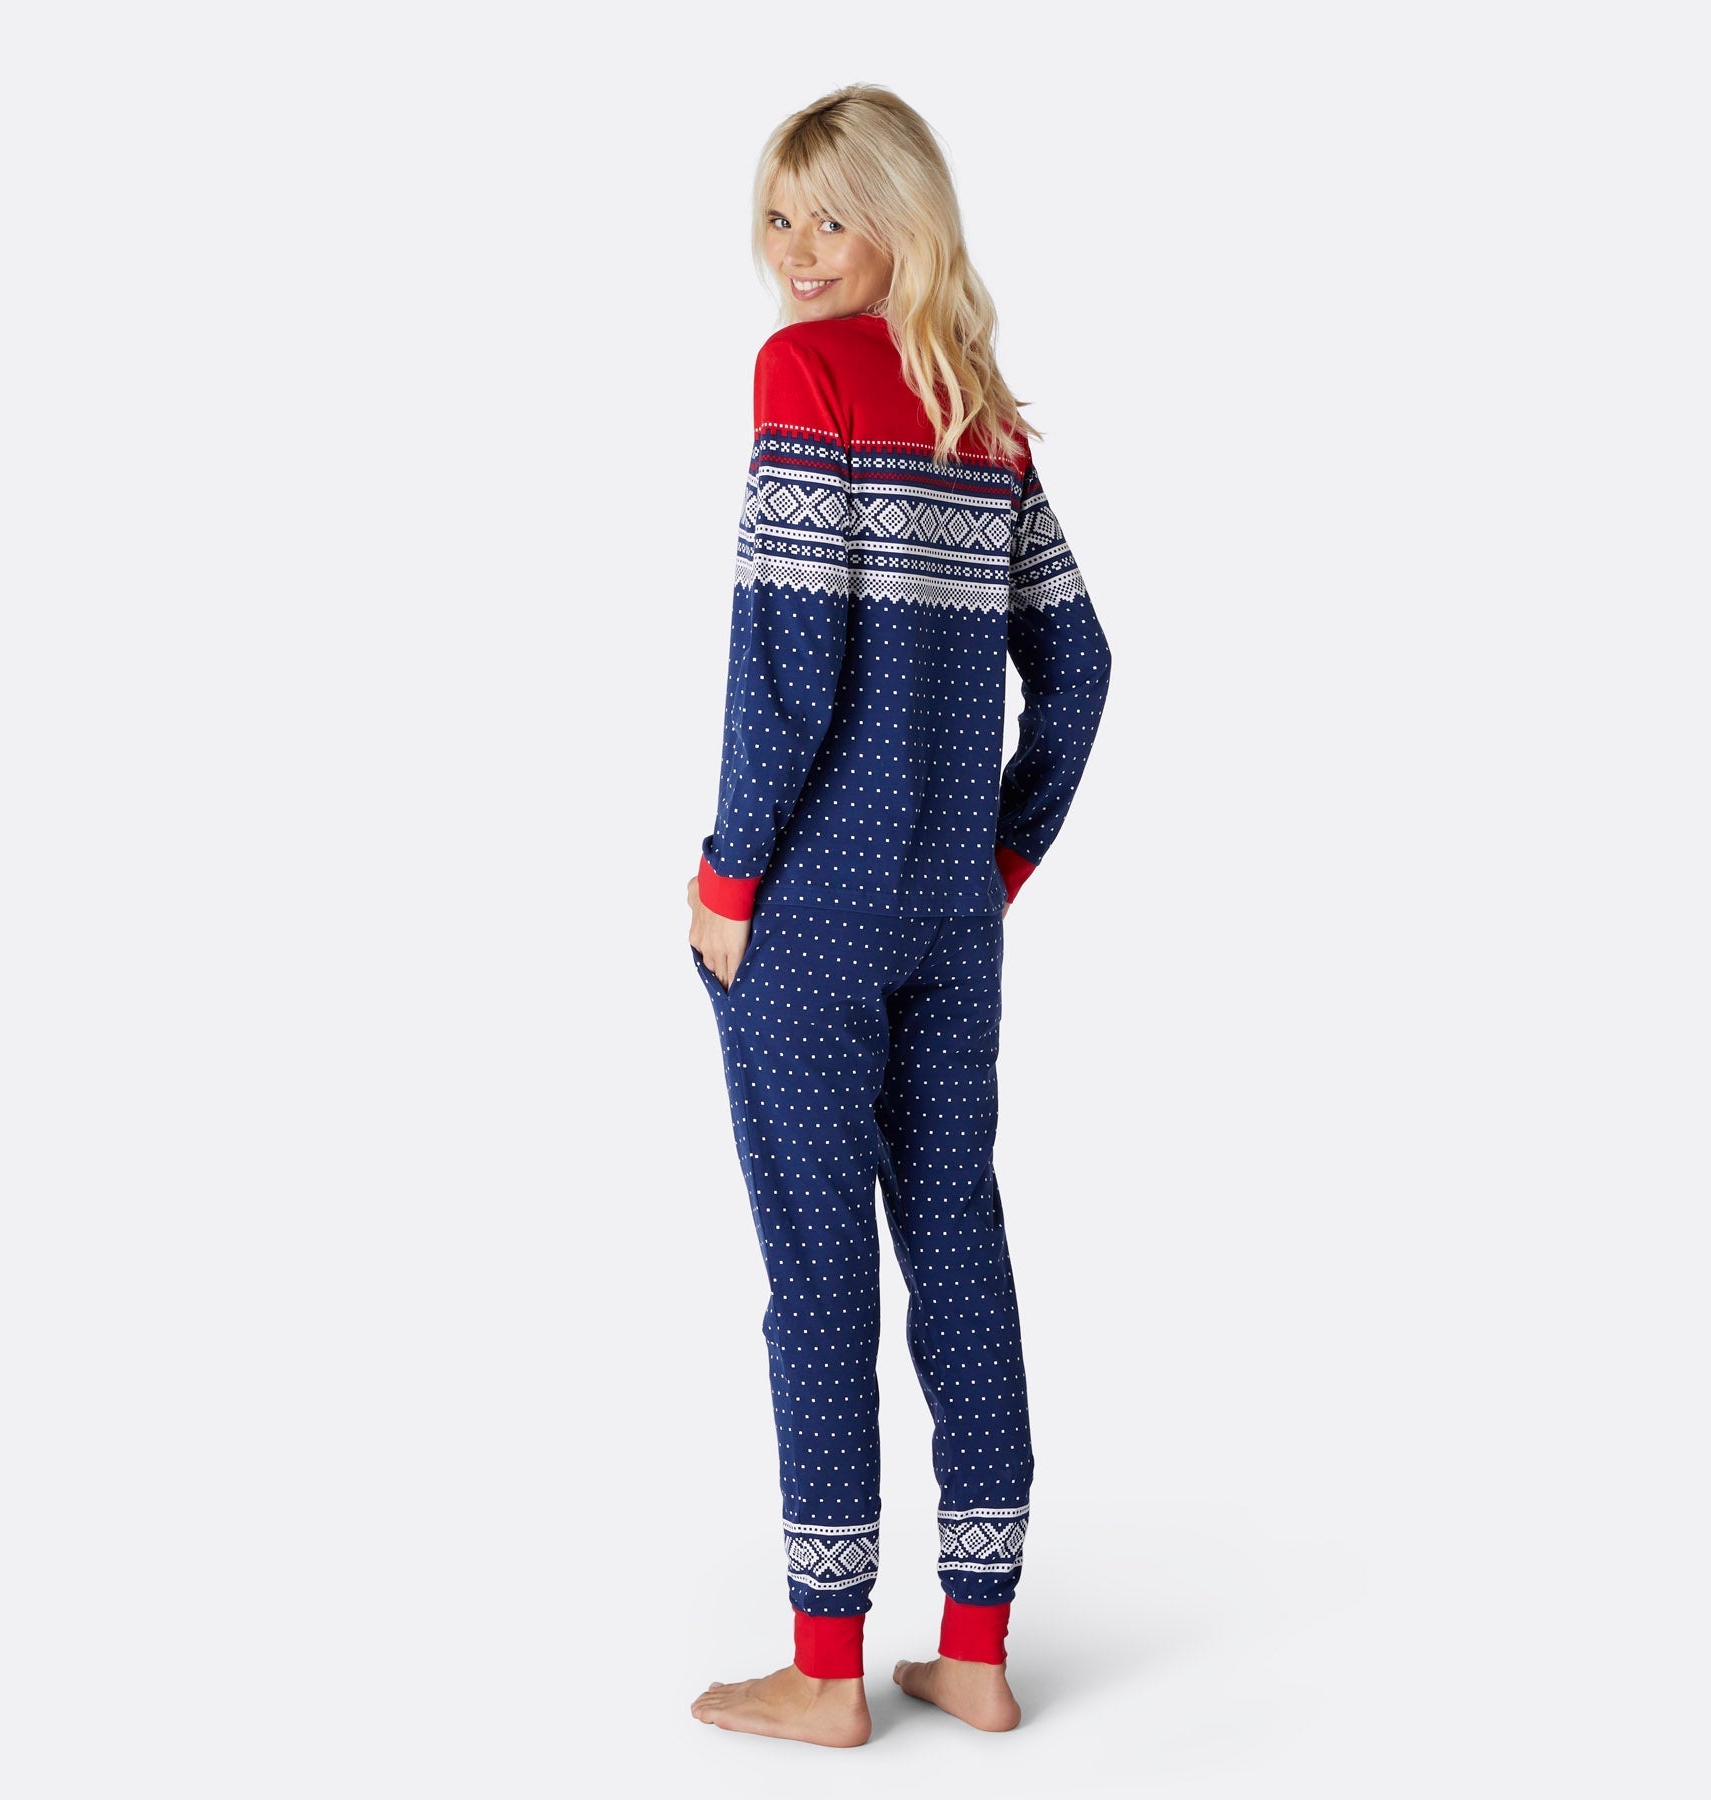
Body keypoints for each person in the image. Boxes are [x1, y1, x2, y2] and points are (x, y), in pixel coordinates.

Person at [685, 84, 1112, 1749]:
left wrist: (729, 881)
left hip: (807, 916)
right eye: (777, 216)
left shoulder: (805, 377)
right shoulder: (978, 413)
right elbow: (1079, 665)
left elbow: (786, 669)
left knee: (817, 1281)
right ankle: (978, 1652)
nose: (797, 252)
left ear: (901, 222)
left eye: (832, 217)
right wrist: (997, 860)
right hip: (948, 923)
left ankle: (826, 1669)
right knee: (959, 1251)